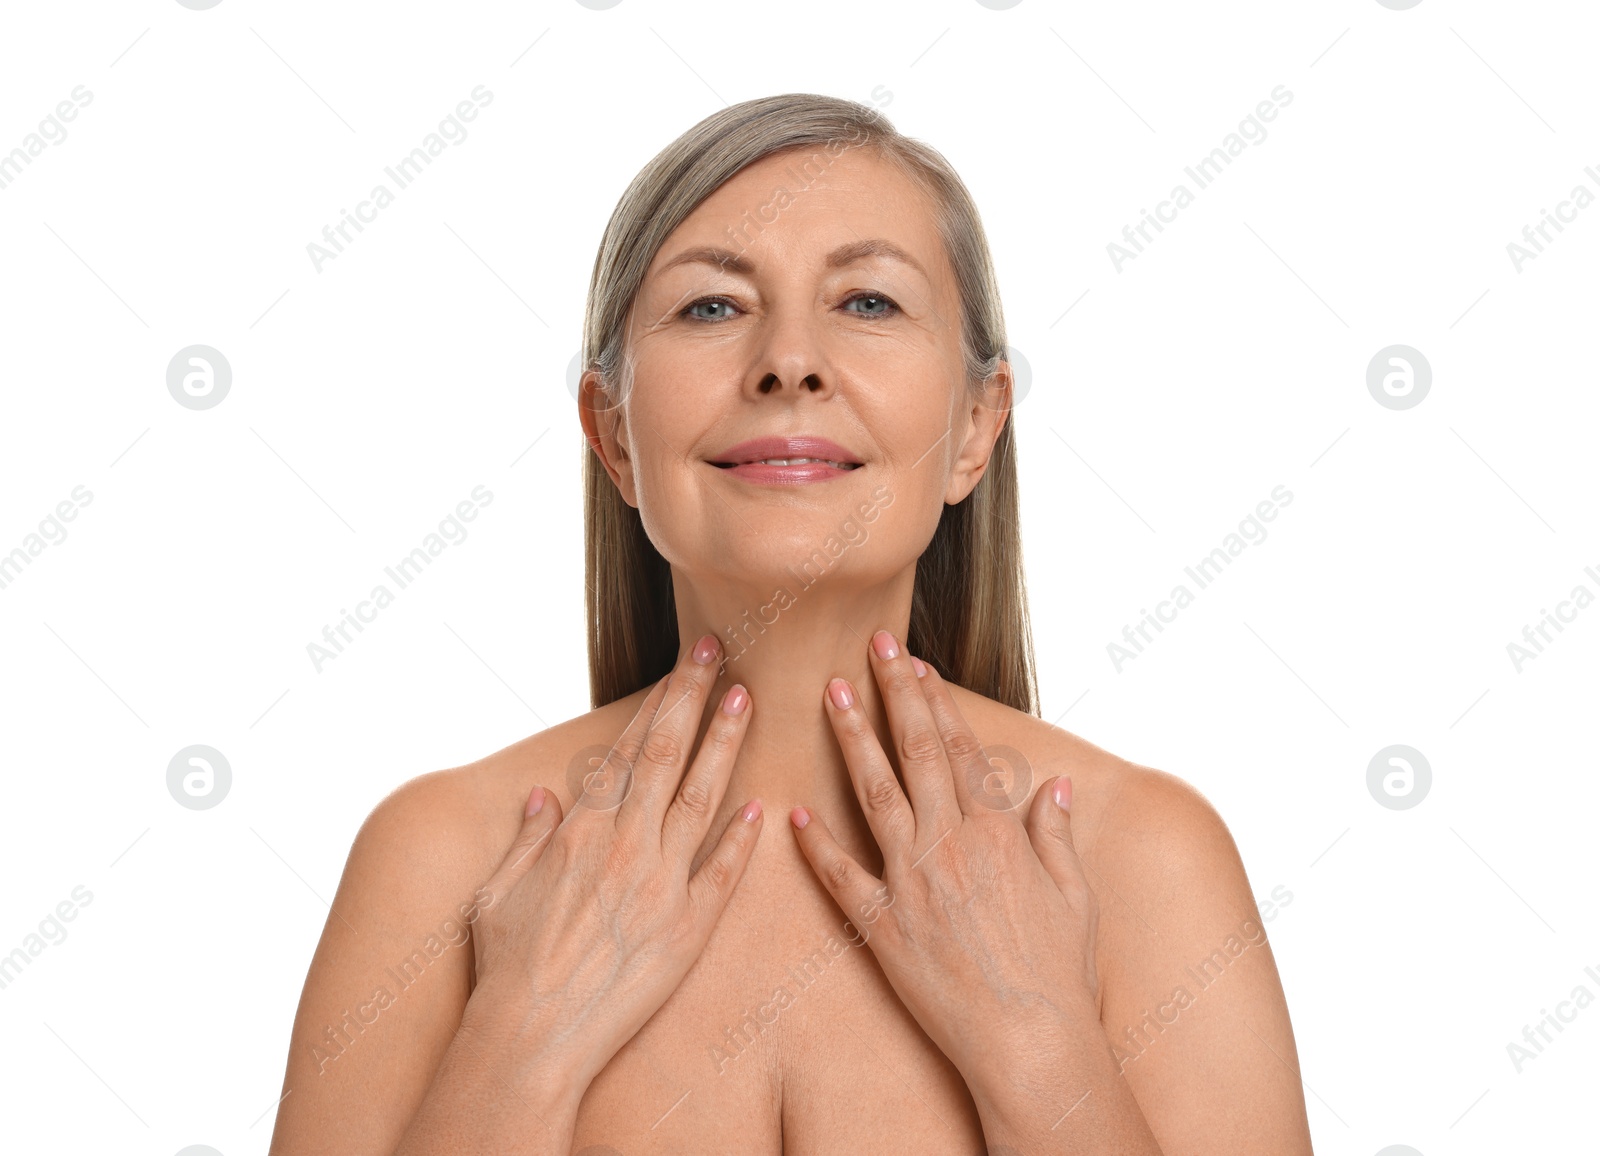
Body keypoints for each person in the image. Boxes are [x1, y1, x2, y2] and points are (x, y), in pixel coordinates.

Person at [267, 92, 1314, 1155]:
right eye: (714, 307)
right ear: (614, 434)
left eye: (866, 302)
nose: (789, 361)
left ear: (974, 427)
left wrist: (1038, 1049)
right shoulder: (444, 862)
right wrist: (522, 1038)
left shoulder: (1143, 859)